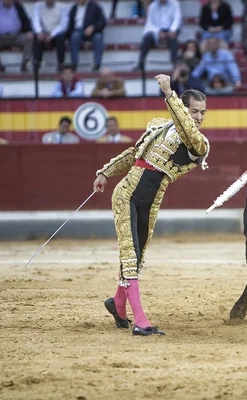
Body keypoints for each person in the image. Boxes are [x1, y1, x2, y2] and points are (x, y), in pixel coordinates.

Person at [92, 74, 210, 336]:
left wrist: (169, 95)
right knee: (130, 255)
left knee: (137, 256)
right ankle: (141, 321)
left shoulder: (200, 144)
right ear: (183, 106)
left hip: (151, 202)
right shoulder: (157, 126)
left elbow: (187, 131)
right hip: (127, 194)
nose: (199, 117)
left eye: (203, 112)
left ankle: (118, 304)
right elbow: (134, 154)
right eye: (194, 111)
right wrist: (106, 172)